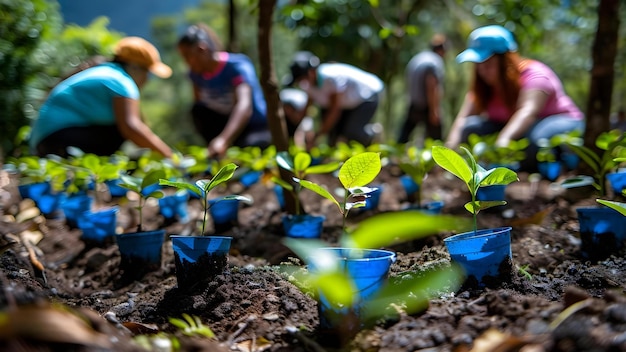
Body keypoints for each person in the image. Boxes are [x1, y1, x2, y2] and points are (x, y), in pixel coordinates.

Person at [445, 25, 584, 171]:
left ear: (505, 61)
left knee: (536, 141)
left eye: (488, 63)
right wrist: (449, 153)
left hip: (560, 121)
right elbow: (462, 119)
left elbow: (527, 112)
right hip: (518, 130)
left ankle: (558, 168)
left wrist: (503, 141)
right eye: (478, 65)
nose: (482, 71)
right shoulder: (483, 88)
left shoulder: (535, 74)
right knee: (470, 128)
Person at [30, 36, 174, 158]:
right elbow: (132, 128)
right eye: (146, 72)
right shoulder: (121, 81)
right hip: (58, 139)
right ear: (134, 67)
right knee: (118, 130)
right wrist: (169, 156)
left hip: (45, 140)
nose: (147, 79)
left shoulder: (107, 72)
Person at [177, 23, 271, 158]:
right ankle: (216, 152)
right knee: (198, 110)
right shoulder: (195, 75)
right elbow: (200, 107)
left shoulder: (237, 66)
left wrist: (223, 139)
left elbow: (244, 106)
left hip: (254, 127)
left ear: (201, 49)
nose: (186, 62)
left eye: (187, 56)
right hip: (225, 124)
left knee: (250, 151)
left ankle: (224, 148)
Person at [285, 51, 384, 148]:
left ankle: (373, 133)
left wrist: (317, 135)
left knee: (352, 133)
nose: (301, 82)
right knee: (334, 136)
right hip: (346, 103)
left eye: (301, 78)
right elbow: (308, 107)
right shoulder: (308, 84)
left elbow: (334, 111)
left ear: (310, 73)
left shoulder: (330, 78)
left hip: (367, 95)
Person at [399, 34, 447, 145]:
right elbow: (432, 85)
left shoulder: (418, 58)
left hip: (413, 103)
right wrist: (434, 110)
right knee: (437, 137)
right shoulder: (434, 61)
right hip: (426, 105)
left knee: (405, 133)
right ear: (442, 50)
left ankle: (396, 153)